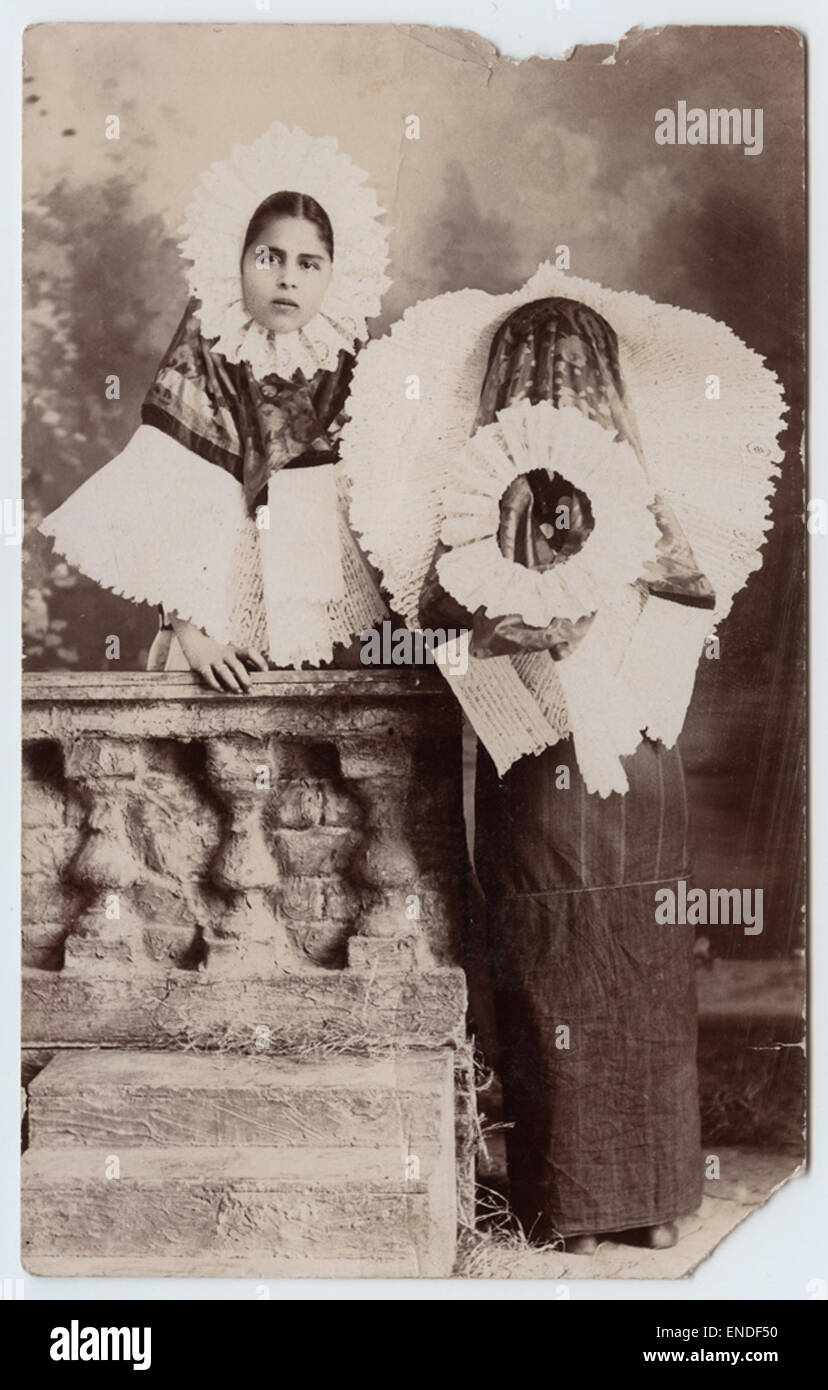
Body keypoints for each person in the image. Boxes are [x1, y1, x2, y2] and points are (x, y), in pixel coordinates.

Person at [421, 297, 714, 1252]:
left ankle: (647, 1197)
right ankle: (574, 1201)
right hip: (540, 751)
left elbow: (687, 607)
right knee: (551, 955)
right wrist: (523, 638)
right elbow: (443, 631)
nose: (556, 388)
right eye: (536, 370)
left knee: (638, 955)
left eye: (573, 370)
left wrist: (598, 644)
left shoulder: (629, 498)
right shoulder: (483, 504)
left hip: (630, 745)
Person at [39, 123, 389, 684]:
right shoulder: (208, 360)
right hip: (213, 633)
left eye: (308, 263)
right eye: (268, 258)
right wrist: (194, 633)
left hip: (323, 637)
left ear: (333, 274)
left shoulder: (347, 370)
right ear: (238, 261)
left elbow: (378, 514)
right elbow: (165, 501)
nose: (287, 279)